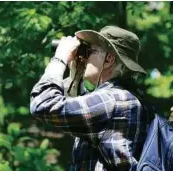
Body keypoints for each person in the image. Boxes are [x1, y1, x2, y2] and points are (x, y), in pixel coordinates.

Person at [30, 26, 152, 170]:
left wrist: (59, 59)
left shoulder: (111, 100)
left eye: (90, 52)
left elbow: (43, 104)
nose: (84, 57)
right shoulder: (127, 97)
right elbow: (87, 120)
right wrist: (76, 77)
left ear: (109, 59)